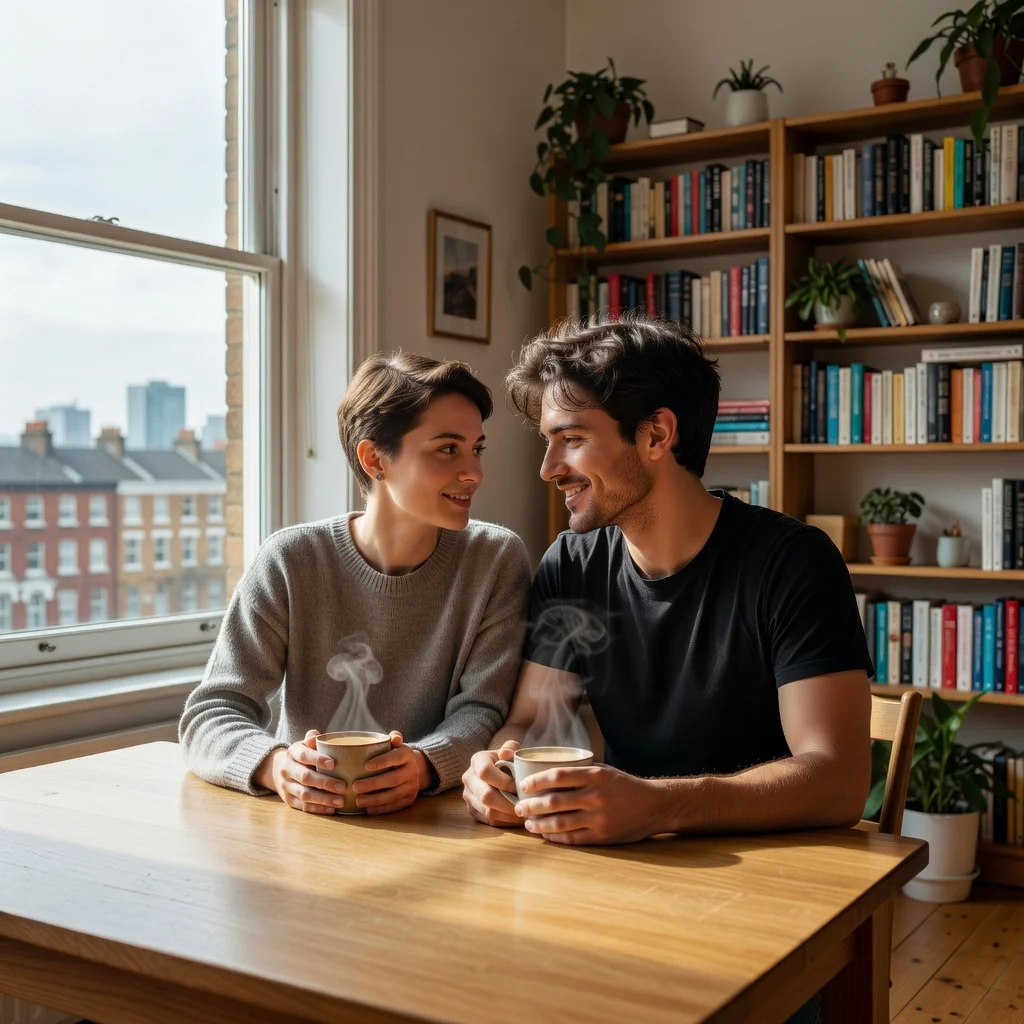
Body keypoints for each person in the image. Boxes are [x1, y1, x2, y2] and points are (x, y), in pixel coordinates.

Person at [462, 314, 873, 844]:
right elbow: (531, 722)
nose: (548, 468)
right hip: (623, 861)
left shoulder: (793, 563)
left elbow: (838, 782)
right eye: (548, 441)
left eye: (572, 438)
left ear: (656, 434)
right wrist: (495, 768)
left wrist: (658, 807)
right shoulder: (571, 563)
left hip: (774, 870)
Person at [180, 352, 530, 816]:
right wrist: (274, 766)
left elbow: (485, 710)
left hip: (436, 824)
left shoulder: (496, 558)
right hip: (303, 826)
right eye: (448, 449)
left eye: (476, 448)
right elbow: (211, 712)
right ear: (374, 459)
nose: (474, 472)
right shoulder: (290, 560)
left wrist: (425, 764)